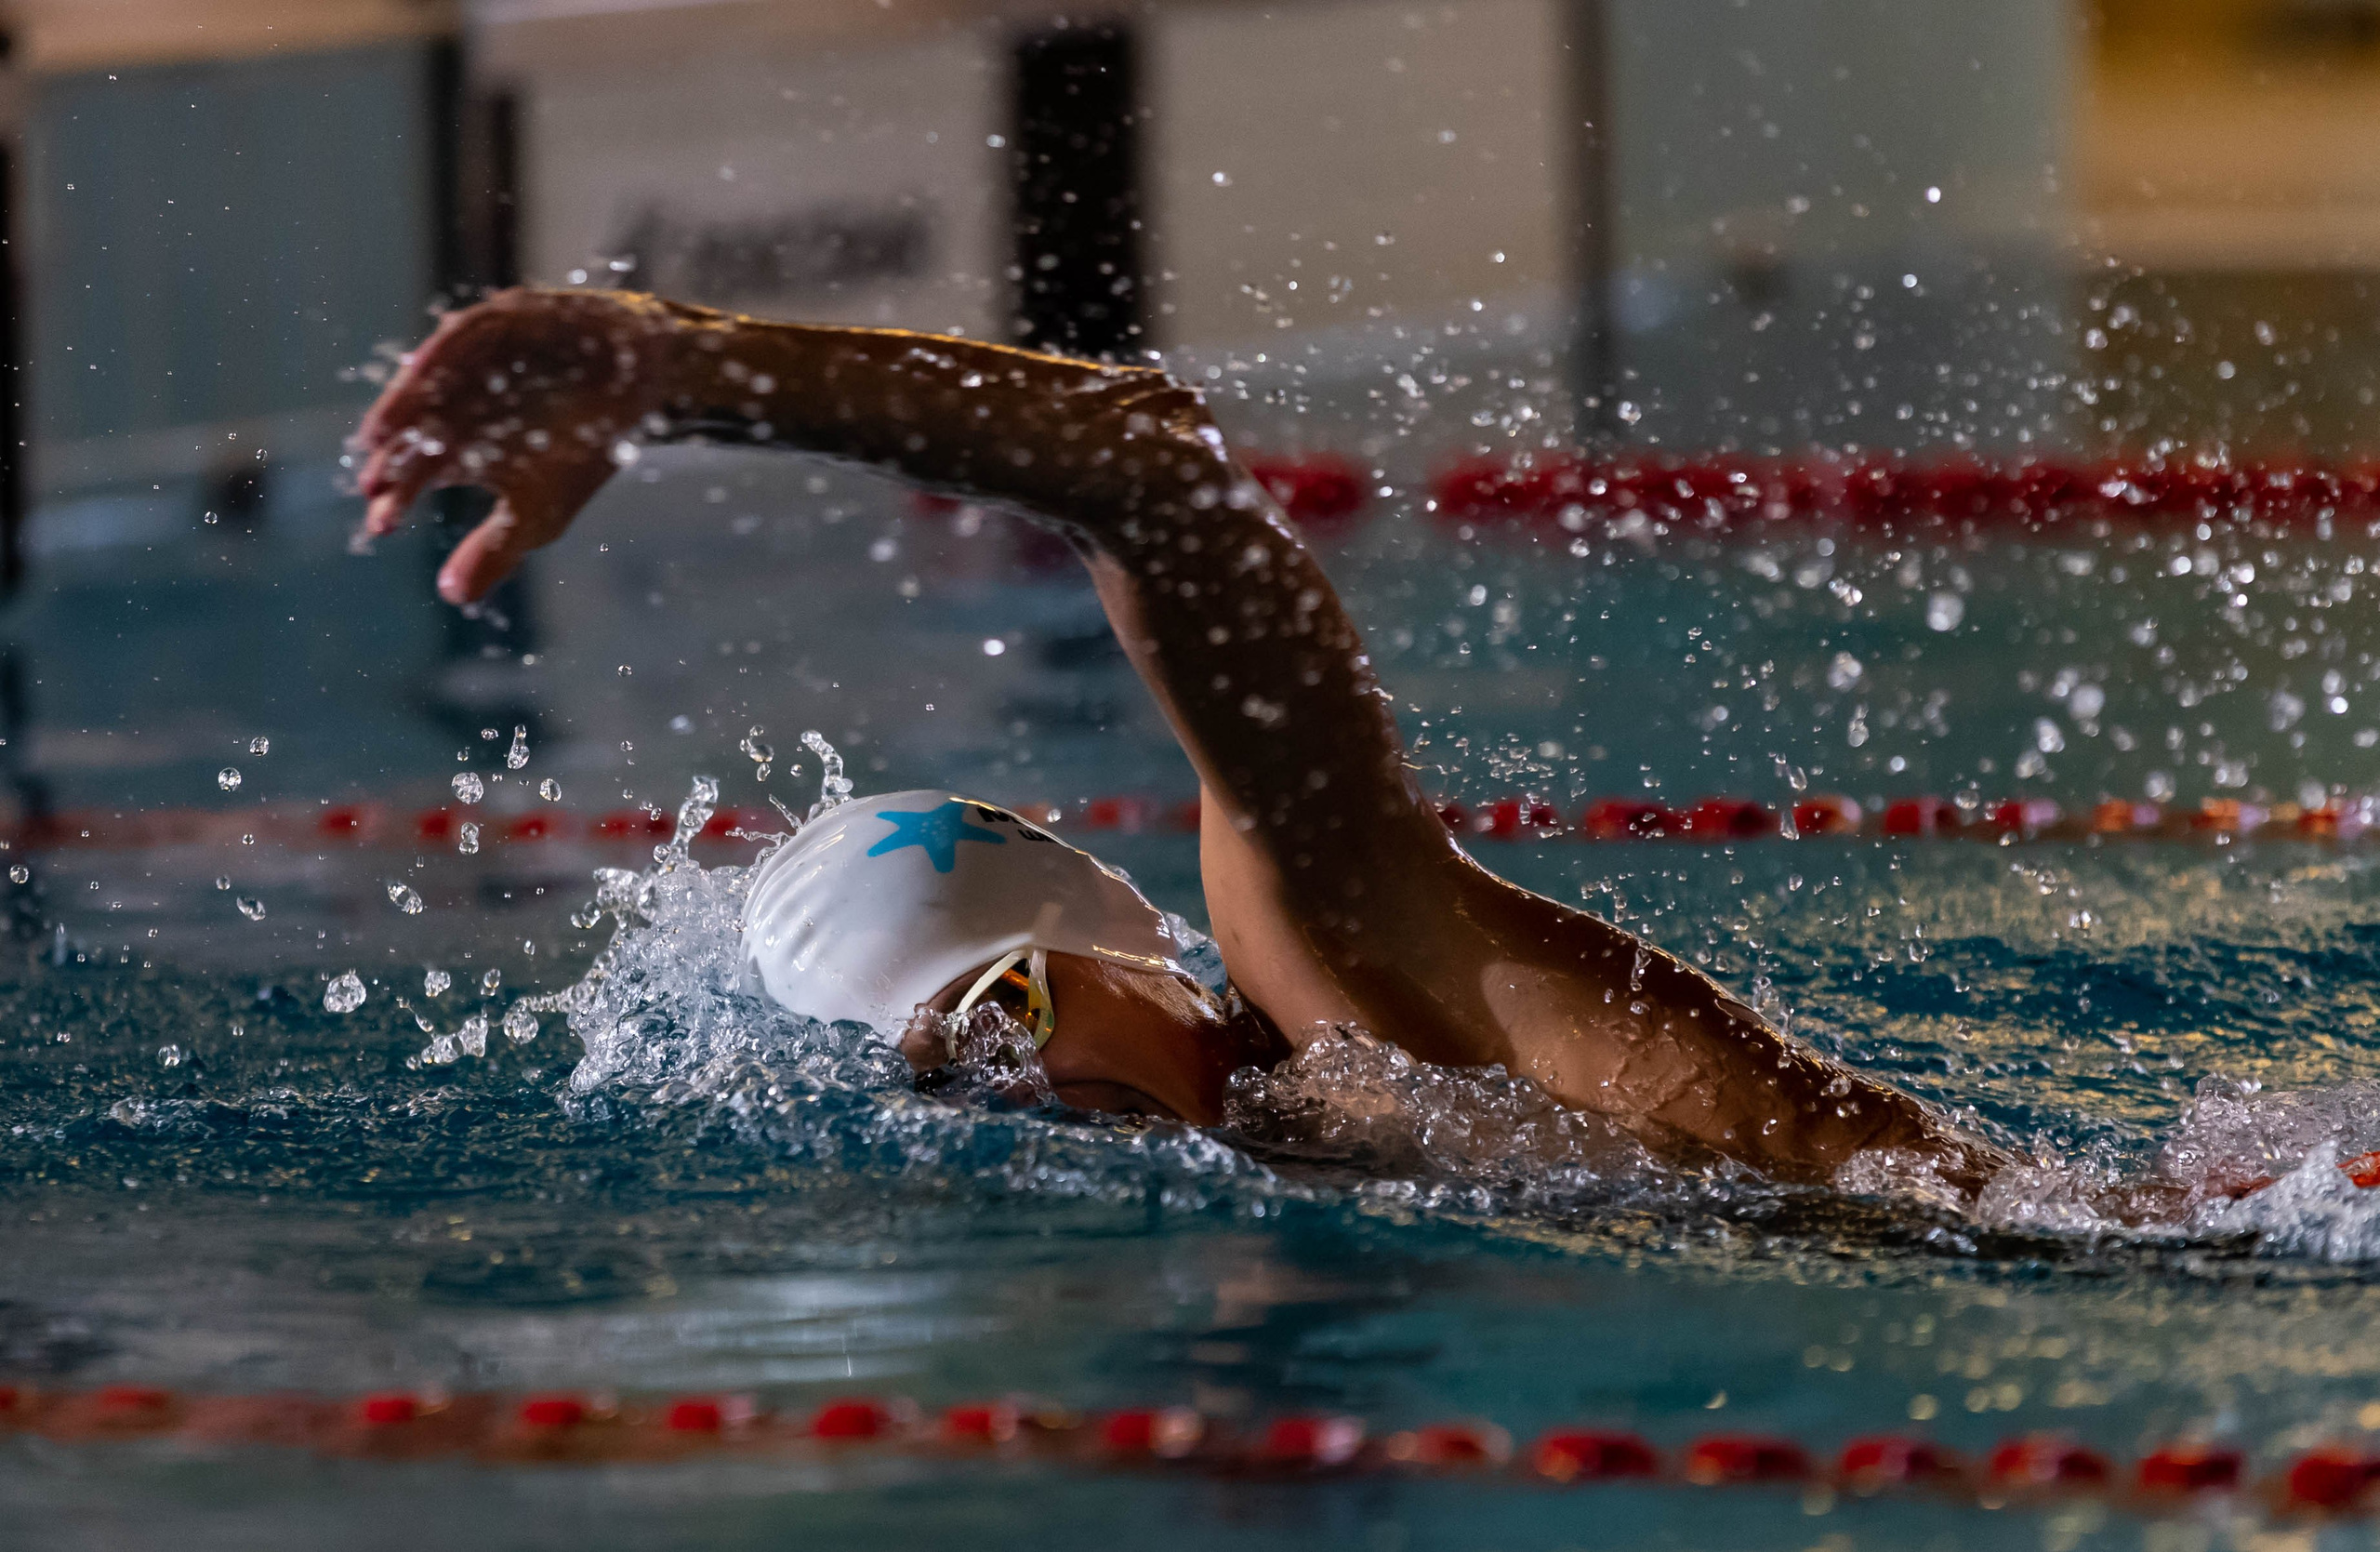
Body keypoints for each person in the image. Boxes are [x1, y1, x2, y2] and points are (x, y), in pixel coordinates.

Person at [351, 286, 2007, 1192]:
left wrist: (688, 370)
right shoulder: (1276, 1152)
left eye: (995, 1013)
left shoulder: (1348, 986)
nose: (1007, 1092)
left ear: (1143, 957)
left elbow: (1145, 463)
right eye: (932, 1079)